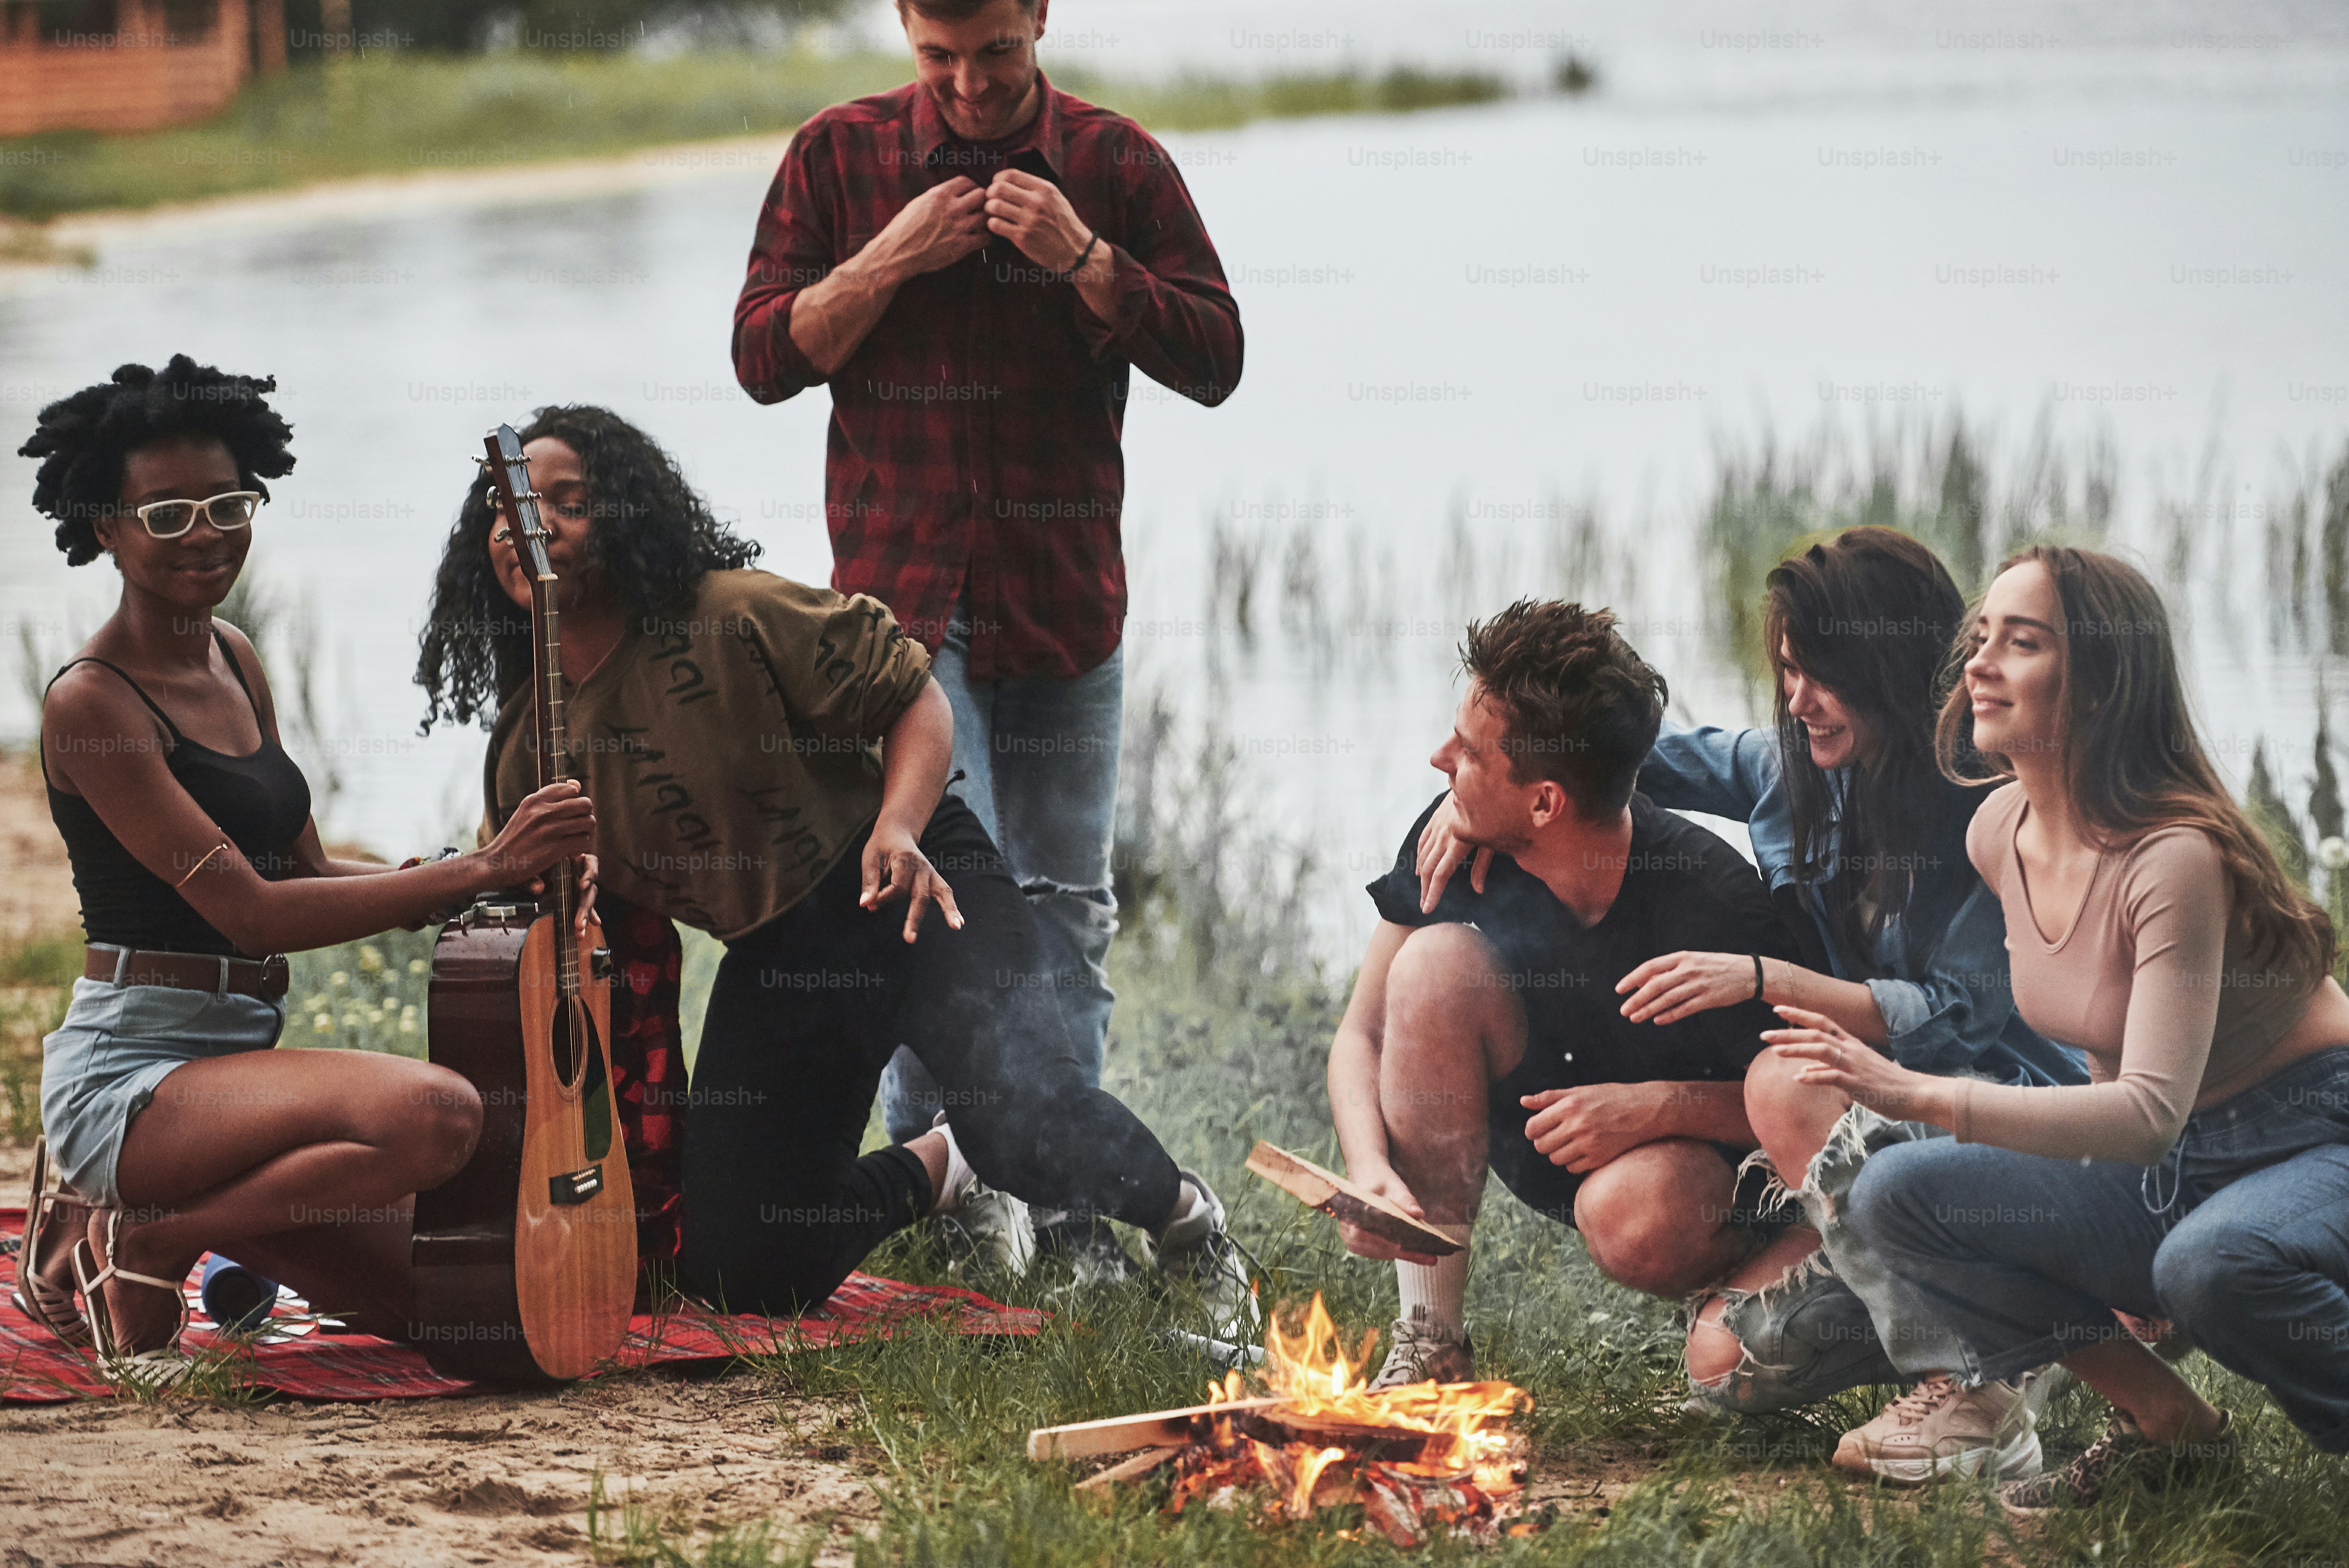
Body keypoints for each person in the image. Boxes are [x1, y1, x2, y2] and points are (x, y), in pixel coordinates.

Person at [414, 406, 1252, 1331]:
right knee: (743, 1262)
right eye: (509, 512)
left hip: (914, 884)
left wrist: (897, 824)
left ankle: (1190, 1225)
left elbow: (916, 698)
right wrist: (459, 881)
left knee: (1025, 1123)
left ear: (624, 518)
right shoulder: (531, 746)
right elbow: (543, 903)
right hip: (782, 954)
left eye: (567, 503)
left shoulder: (730, 614)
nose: (531, 528)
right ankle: (941, 1169)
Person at [729, 0, 1243, 1268]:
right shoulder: (835, 158)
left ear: (1039, 18)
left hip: (1066, 605)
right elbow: (760, 358)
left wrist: (1091, 261)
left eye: (995, 54)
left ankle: (1069, 1198)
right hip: (898, 622)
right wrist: (888, 258)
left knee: (1067, 910)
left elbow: (1219, 356)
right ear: (907, 28)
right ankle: (963, 1200)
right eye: (937, 58)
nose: (966, 85)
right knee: (927, 901)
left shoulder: (1118, 165)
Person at [1420, 528, 2089, 1443]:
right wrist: (1473, 800)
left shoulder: (1987, 815)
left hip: (1992, 1127)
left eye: (1820, 675)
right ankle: (2017, 1324)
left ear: (1892, 669)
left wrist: (1770, 977)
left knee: (1789, 1077)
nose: (1798, 701)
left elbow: (1949, 1025)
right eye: (1785, 670)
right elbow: (1591, 755)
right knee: (1722, 1365)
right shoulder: (1787, 771)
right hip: (1854, 1128)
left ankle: (1980, 1372)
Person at [15, 356, 595, 1384]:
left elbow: (310, 868)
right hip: (137, 1076)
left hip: (243, 1065)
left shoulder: (235, 656)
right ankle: (146, 1239)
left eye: (228, 504)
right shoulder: (92, 705)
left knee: (455, 1312)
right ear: (105, 528)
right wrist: (473, 872)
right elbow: (252, 914)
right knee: (439, 1116)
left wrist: (486, 874)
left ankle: (150, 1219)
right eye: (166, 513)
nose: (206, 533)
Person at [1784, 544, 2349, 1512]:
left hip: (2314, 1136)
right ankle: (2170, 1429)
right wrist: (2107, 1216)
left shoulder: (2174, 857)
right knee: (1897, 1193)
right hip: (2182, 1160)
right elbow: (2108, 1058)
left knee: (2209, 1263)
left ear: (2098, 679)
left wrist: (1919, 1095)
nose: (1980, 663)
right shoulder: (1996, 832)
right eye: (1981, 637)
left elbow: (2145, 1114)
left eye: (2024, 641)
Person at [1328, 600, 1810, 1388]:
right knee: (1430, 964)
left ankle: (1748, 1297)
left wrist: (1655, 1106)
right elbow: (1363, 1036)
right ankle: (1429, 1343)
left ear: (1546, 801)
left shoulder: (1715, 904)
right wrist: (1367, 1169)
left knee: (1629, 1217)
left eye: (1470, 752)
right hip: (1542, 1137)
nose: (1439, 758)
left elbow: (1818, 1113)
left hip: (1693, 1181)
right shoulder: (1456, 837)